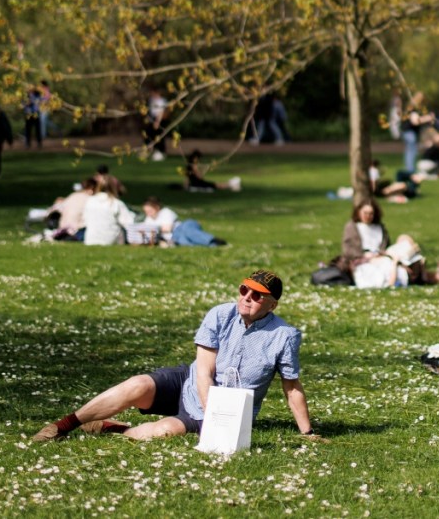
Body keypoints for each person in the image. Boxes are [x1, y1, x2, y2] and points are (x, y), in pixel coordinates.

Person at [31, 270, 318, 442]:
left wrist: (307, 434)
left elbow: (291, 387)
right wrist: (210, 411)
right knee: (136, 385)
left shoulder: (285, 335)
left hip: (228, 408)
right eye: (245, 290)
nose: (247, 297)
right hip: (192, 383)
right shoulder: (220, 314)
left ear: (272, 304)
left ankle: (114, 429)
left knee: (164, 430)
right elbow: (204, 370)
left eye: (257, 296)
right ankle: (63, 426)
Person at [132, 196, 227, 247]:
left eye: (150, 211)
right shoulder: (148, 220)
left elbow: (168, 228)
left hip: (183, 226)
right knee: (185, 242)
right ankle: (213, 245)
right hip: (175, 237)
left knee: (188, 232)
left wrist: (153, 229)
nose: (148, 214)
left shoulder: (165, 212)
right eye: (146, 212)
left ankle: (212, 239)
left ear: (156, 207)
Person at [332, 198, 390, 274]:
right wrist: (363, 255)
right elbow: (347, 249)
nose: (368, 216)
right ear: (359, 212)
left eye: (371, 213)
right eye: (365, 213)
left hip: (379, 257)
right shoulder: (352, 227)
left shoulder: (380, 227)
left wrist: (380, 254)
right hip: (360, 260)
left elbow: (386, 246)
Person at [82, 181, 136, 245]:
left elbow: (85, 220)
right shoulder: (116, 203)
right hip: (111, 240)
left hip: (90, 239)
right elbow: (128, 222)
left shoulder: (90, 201)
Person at [400, 92, 435, 173]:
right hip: (409, 132)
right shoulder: (413, 109)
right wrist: (428, 118)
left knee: (411, 150)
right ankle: (410, 169)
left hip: (408, 132)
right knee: (412, 151)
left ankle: (410, 168)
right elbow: (415, 121)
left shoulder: (411, 108)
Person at [143, 87, 169, 160]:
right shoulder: (151, 100)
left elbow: (162, 111)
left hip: (160, 120)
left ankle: (161, 152)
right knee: (148, 135)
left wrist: (157, 121)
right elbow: (148, 110)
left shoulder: (162, 101)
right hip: (152, 119)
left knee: (159, 136)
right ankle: (149, 150)